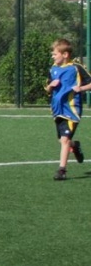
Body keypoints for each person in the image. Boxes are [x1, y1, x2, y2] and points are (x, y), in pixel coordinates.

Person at [46, 38, 91, 181]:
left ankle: (62, 170)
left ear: (65, 55)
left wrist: (81, 88)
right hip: (57, 109)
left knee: (64, 139)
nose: (53, 57)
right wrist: (50, 86)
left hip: (71, 109)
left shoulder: (76, 68)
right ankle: (75, 146)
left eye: (55, 54)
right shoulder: (53, 69)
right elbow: (48, 89)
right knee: (63, 140)